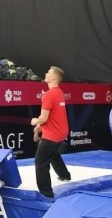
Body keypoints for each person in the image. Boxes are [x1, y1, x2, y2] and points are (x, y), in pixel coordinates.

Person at [31, 66, 71, 198]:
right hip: (61, 132)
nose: (45, 74)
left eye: (48, 72)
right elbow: (55, 116)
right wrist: (41, 127)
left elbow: (43, 118)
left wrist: (35, 121)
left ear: (53, 77)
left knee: (40, 162)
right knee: (53, 153)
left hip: (52, 135)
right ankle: (64, 175)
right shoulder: (59, 92)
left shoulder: (48, 94)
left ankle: (46, 193)